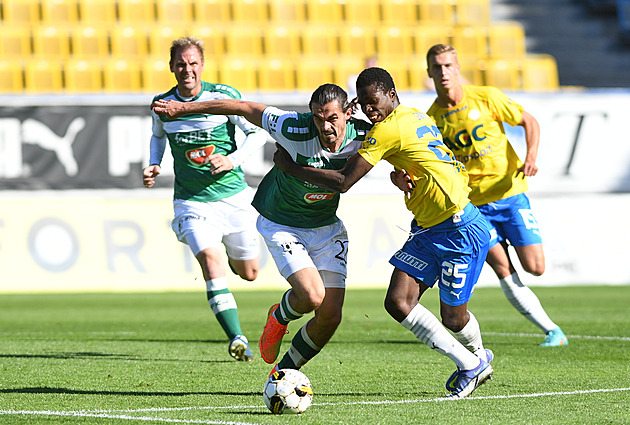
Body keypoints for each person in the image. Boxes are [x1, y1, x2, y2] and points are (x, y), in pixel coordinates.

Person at [273, 67, 495, 399]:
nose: (368, 109)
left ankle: (474, 360)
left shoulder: (386, 130)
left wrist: (291, 167)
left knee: (453, 316)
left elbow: (344, 181)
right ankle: (473, 361)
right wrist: (402, 175)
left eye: (373, 101)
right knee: (398, 301)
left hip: (458, 228)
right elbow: (424, 156)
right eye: (362, 104)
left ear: (391, 94)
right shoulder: (414, 116)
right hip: (428, 228)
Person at [151, 83, 373, 376]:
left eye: (332, 118)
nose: (325, 127)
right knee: (311, 296)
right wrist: (184, 108)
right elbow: (242, 107)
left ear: (347, 114)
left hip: (326, 226)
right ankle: (279, 317)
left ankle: (282, 373)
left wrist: (404, 175)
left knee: (330, 317)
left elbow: (400, 150)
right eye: (318, 119)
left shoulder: (366, 136)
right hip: (283, 223)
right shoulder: (292, 127)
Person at [423, 43, 568, 347]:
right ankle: (552, 331)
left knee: (536, 267)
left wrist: (530, 157)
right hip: (474, 208)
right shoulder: (432, 118)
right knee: (503, 268)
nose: (443, 72)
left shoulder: (485, 97)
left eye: (448, 65)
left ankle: (550, 328)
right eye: (437, 67)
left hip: (511, 194)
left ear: (458, 68)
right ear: (429, 72)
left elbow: (530, 121)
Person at [143, 36, 267, 361]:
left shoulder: (224, 97)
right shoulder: (162, 105)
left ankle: (226, 247)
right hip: (191, 201)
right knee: (210, 262)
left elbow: (257, 134)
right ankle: (237, 337)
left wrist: (232, 160)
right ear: (171, 67)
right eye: (181, 63)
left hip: (234, 199)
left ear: (202, 65)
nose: (187, 69)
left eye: (193, 62)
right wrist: (154, 163)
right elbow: (157, 137)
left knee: (250, 272)